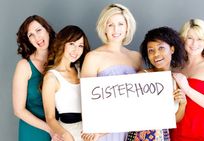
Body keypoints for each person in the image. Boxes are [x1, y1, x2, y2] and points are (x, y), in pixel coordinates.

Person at [81, 3, 142, 141]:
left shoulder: (136, 57)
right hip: (103, 130)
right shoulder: (93, 57)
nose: (116, 29)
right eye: (110, 25)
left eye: (121, 24)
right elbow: (86, 100)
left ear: (127, 27)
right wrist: (94, 129)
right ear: (104, 28)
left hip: (131, 127)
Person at [126, 27, 187, 141]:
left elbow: (173, 120)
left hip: (162, 136)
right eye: (151, 50)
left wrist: (183, 104)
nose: (156, 54)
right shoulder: (141, 76)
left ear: (172, 49)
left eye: (161, 48)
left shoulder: (177, 81)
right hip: (138, 136)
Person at [12, 15, 60, 141]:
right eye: (30, 35)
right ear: (28, 40)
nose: (37, 37)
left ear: (47, 30)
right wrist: (50, 129)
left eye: (38, 30)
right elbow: (18, 110)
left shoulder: (61, 60)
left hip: (61, 130)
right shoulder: (24, 66)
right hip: (34, 131)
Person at [42, 25, 90, 141]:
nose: (76, 50)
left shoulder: (83, 69)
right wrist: (66, 135)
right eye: (72, 44)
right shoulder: (52, 77)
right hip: (69, 131)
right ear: (62, 43)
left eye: (80, 46)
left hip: (90, 132)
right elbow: (50, 117)